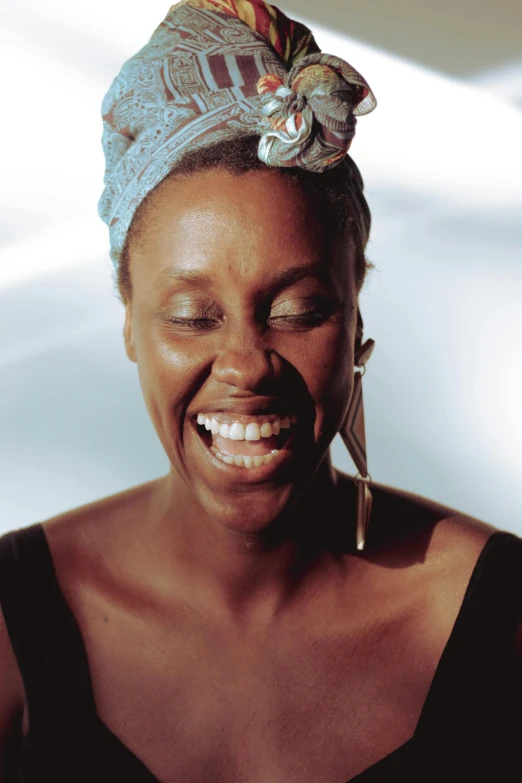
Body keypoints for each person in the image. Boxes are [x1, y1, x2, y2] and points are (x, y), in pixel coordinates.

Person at [0, 1, 520, 780]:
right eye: (192, 315)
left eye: (297, 309)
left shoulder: (501, 621)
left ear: (354, 325)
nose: (245, 364)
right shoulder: (13, 619)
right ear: (131, 327)